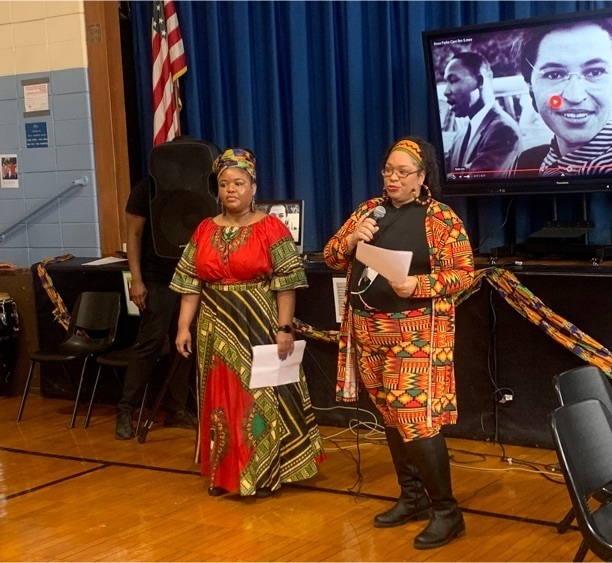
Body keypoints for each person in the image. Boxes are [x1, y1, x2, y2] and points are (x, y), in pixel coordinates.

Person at [323, 137, 474, 549]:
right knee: (391, 417)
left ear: (421, 177)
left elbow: (463, 274)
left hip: (415, 335)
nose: (392, 178)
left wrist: (419, 285)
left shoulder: (439, 218)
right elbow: (332, 256)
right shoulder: (368, 211)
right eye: (388, 170)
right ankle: (412, 498)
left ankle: (447, 511)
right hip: (367, 330)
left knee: (416, 421)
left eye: (402, 172)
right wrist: (354, 238)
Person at [170, 148, 324, 498]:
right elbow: (190, 284)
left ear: (254, 187)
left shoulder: (272, 228)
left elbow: (287, 284)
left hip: (258, 323)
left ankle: (264, 474)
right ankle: (226, 474)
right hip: (214, 327)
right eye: (224, 184)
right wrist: (183, 327)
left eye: (239, 183)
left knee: (262, 399)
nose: (231, 190)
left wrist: (284, 328)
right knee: (222, 399)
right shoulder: (204, 229)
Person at [115, 178, 196, 440]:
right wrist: (136, 279)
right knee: (150, 342)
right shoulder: (145, 188)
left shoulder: (200, 187)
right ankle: (125, 409)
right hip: (156, 278)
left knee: (183, 345)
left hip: (192, 279)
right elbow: (134, 234)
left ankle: (176, 409)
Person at [513, 20, 612, 177]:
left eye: (595, 72)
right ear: (529, 83)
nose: (575, 96)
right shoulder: (526, 164)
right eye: (554, 75)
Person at [443, 52, 520, 178]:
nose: (446, 91)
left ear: (479, 81)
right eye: (446, 82)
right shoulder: (460, 136)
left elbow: (478, 178)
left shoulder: (504, 130)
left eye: (453, 81)